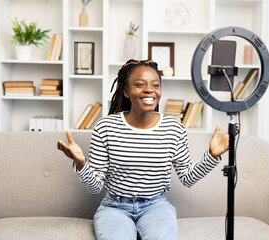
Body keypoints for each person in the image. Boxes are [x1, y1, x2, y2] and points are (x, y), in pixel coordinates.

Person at [57, 59, 229, 240]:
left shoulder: (173, 128)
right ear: (126, 91)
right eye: (140, 84)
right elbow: (95, 187)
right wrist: (81, 164)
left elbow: (187, 178)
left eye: (155, 85)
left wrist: (211, 156)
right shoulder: (106, 127)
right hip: (115, 208)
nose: (149, 90)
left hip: (156, 207)